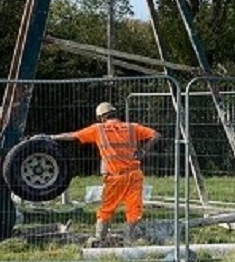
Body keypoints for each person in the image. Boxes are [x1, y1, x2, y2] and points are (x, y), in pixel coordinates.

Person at [51, 101, 160, 245]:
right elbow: (156, 135)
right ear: (115, 114)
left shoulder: (99, 129)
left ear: (101, 117)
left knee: (106, 209)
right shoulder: (132, 127)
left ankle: (99, 239)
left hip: (115, 177)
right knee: (134, 209)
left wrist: (52, 137)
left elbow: (73, 136)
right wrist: (144, 150)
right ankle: (129, 240)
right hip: (135, 175)